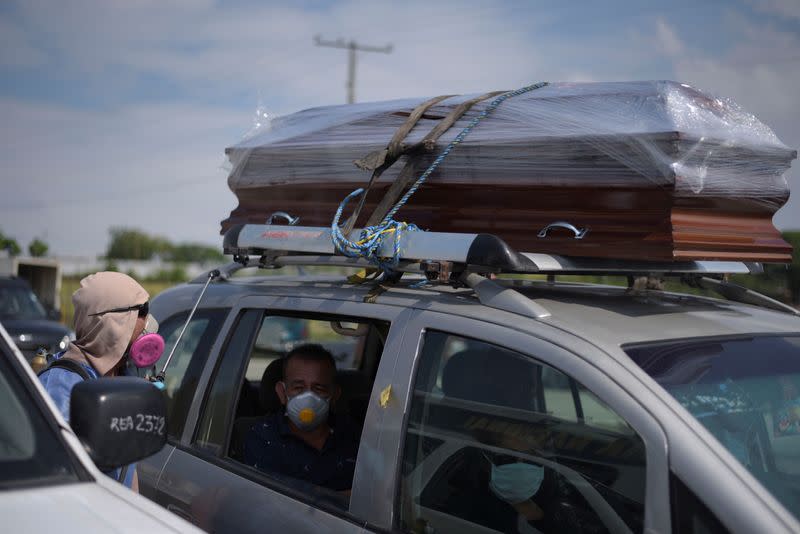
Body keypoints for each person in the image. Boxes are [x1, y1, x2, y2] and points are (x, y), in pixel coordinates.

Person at [38, 271, 158, 491]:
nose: (148, 323)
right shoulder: (59, 388)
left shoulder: (122, 375)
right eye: (141, 312)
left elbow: (127, 467)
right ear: (112, 325)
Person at [243, 344, 359, 492]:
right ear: (282, 392)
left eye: (319, 388)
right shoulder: (263, 437)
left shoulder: (352, 435)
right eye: (298, 387)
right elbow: (274, 503)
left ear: (334, 394)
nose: (308, 398)